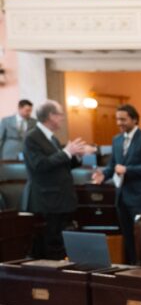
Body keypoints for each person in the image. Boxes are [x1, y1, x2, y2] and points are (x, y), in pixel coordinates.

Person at [23, 100, 95, 259]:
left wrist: (76, 155)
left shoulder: (52, 138)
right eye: (61, 114)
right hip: (46, 202)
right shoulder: (32, 137)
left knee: (59, 245)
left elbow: (62, 165)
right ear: (51, 116)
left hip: (60, 201)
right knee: (49, 246)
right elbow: (40, 165)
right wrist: (66, 152)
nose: (63, 118)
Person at [91, 104, 141, 264]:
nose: (119, 122)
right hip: (122, 198)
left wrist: (128, 170)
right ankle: (130, 272)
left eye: (123, 119)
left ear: (134, 120)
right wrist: (103, 175)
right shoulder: (117, 139)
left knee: (140, 240)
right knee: (128, 239)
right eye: (117, 119)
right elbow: (113, 165)